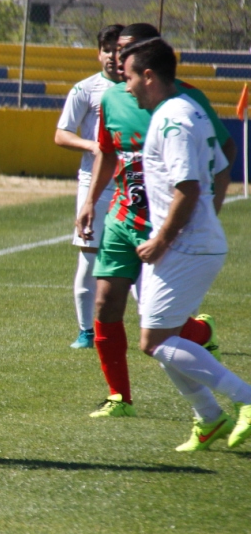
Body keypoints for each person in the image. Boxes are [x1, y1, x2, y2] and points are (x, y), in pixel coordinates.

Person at [76, 22, 236, 419]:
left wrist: (207, 210)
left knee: (160, 328)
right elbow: (107, 152)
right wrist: (91, 202)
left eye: (126, 50)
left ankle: (206, 352)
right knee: (105, 302)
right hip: (122, 216)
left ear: (147, 63)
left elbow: (220, 154)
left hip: (166, 227)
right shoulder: (111, 99)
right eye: (114, 48)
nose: (116, 56)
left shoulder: (182, 104)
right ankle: (119, 397)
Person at [119, 38, 251, 451]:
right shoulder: (188, 108)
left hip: (186, 247)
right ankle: (209, 418)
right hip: (193, 242)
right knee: (165, 339)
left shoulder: (173, 118)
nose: (126, 88)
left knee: (154, 341)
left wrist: (162, 239)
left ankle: (245, 399)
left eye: (128, 78)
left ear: (148, 76)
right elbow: (218, 166)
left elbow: (188, 188)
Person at [53, 24, 123, 349]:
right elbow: (61, 133)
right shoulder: (85, 89)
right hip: (94, 183)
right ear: (99, 53)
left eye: (118, 49)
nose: (112, 56)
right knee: (89, 256)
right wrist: (92, 146)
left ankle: (168, 325)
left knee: (145, 254)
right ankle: (86, 331)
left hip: (134, 182)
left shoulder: (142, 89)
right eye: (106, 49)